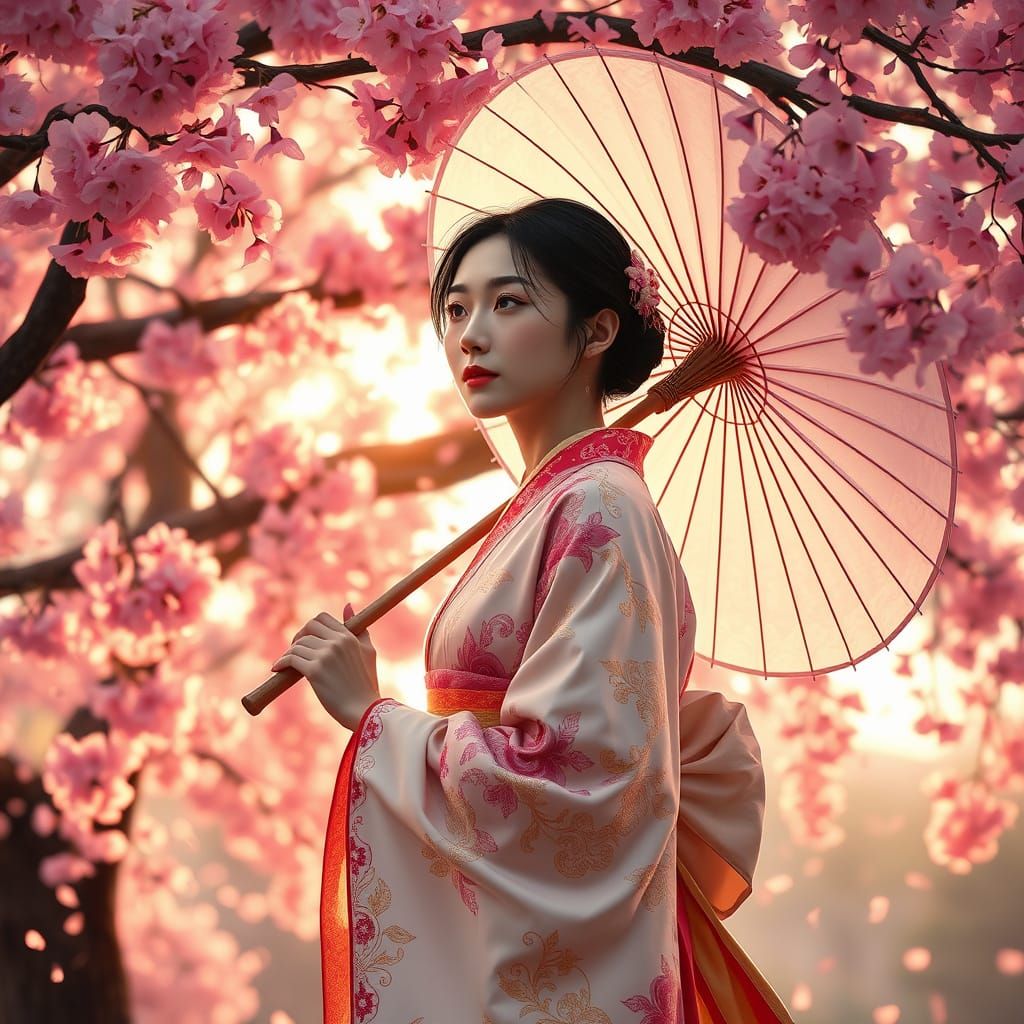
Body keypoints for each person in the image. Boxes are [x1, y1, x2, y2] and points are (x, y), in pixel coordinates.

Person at [271, 198, 793, 1023]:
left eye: (508, 303)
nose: (469, 336)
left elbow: (576, 777)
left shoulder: (601, 510)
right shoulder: (559, 501)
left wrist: (372, 713)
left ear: (597, 331)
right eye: (455, 308)